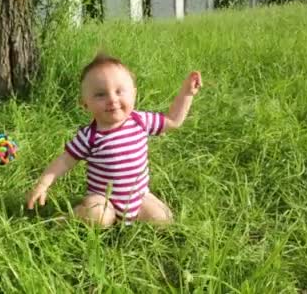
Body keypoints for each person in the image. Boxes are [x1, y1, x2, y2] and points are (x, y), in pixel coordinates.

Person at [26, 54, 202, 227]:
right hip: (102, 199)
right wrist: (43, 183)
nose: (112, 99)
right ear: (85, 104)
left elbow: (173, 121)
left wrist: (187, 93)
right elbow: (65, 161)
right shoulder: (90, 136)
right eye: (100, 95)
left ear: (133, 94)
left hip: (138, 196)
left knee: (164, 218)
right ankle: (73, 216)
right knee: (99, 217)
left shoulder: (141, 121)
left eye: (119, 91)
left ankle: (129, 218)